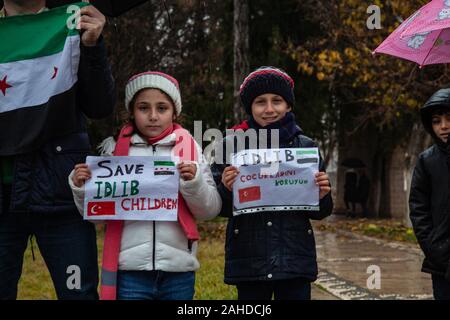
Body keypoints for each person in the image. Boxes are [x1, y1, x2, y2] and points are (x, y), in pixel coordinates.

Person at [69, 71, 222, 300]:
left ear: (174, 112)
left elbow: (209, 211)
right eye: (143, 108)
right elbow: (97, 216)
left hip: (178, 271)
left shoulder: (190, 152)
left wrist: (194, 181)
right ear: (131, 111)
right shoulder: (114, 154)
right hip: (130, 273)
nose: (153, 116)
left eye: (162, 108)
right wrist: (82, 188)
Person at [0, 0, 115, 300]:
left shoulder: (76, 26)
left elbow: (101, 107)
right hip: (2, 198)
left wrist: (92, 47)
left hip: (61, 192)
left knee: (78, 293)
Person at [211, 66, 333, 300]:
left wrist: (322, 195)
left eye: (277, 100)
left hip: (294, 258)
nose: (269, 109)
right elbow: (217, 208)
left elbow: (322, 211)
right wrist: (225, 190)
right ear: (250, 108)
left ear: (288, 105)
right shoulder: (230, 146)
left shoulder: (305, 146)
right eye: (260, 102)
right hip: (249, 259)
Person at [409, 88, 450, 300]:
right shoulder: (428, 161)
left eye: (449, 118)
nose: (443, 126)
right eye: (436, 121)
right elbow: (418, 207)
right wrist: (432, 246)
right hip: (442, 261)